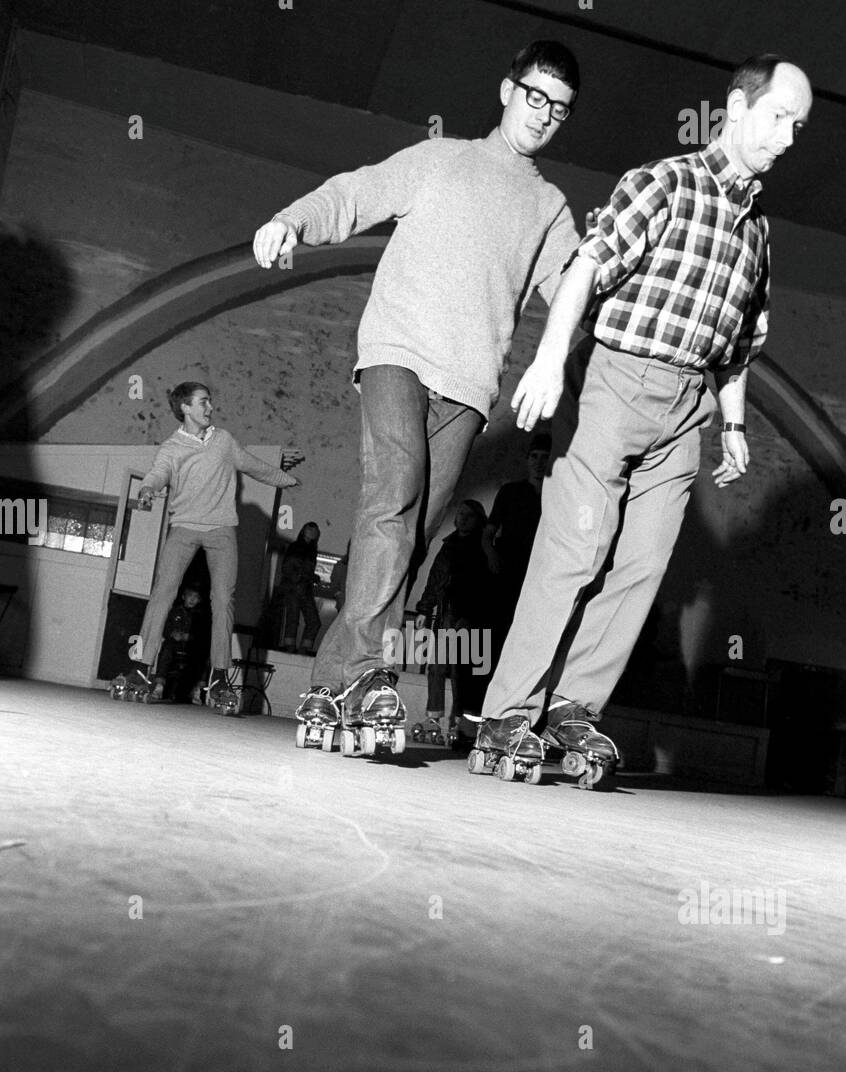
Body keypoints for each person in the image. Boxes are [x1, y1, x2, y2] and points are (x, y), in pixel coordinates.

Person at [473, 55, 814, 782]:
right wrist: (545, 359)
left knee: (643, 565)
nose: (788, 138)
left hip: (690, 407)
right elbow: (586, 269)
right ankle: (508, 713)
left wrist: (733, 423)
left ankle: (572, 710)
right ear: (736, 106)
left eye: (800, 126)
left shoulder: (758, 231)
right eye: (780, 117)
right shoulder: (664, 182)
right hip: (614, 384)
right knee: (576, 549)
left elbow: (742, 342)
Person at [253, 40, 582, 751]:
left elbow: (572, 299)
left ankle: (331, 684)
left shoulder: (551, 210)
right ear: (506, 90)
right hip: (396, 354)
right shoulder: (441, 160)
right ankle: (369, 673)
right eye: (535, 96)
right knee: (393, 493)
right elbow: (354, 192)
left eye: (560, 108)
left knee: (408, 536)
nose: (544, 115)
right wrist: (292, 220)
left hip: (467, 387)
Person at [110, 382, 300, 711]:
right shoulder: (172, 447)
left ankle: (219, 678)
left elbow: (253, 465)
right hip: (183, 527)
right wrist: (147, 489)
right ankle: (141, 669)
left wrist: (286, 478)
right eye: (202, 402)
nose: (209, 408)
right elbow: (157, 474)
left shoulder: (223, 440)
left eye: (210, 402)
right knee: (163, 594)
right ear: (185, 407)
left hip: (221, 530)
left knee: (223, 600)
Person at [414, 499, 492, 745]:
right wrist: (424, 609)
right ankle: (434, 717)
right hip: (447, 614)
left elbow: (485, 586)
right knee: (437, 666)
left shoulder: (483, 546)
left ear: (478, 520)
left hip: (470, 617)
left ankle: (459, 720)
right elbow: (435, 579)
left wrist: (474, 617)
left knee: (462, 672)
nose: (462, 519)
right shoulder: (448, 545)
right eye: (460, 514)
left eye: (468, 515)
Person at [482, 432, 551, 659]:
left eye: (544, 457)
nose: (539, 462)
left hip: (541, 569)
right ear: (527, 459)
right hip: (509, 565)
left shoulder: (557, 493)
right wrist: (491, 553)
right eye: (534, 456)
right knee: (500, 624)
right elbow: (488, 532)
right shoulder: (511, 492)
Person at [152, 584, 207, 702]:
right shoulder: (174, 611)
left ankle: (197, 689)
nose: (192, 599)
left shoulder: (200, 615)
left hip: (191, 645)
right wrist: (173, 633)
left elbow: (203, 635)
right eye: (190, 596)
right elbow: (165, 629)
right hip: (175, 644)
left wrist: (190, 637)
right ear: (183, 597)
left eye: (196, 597)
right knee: (167, 648)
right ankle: (159, 685)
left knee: (203, 653)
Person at [274, 521, 321, 654]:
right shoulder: (297, 548)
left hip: (300, 588)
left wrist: (309, 577)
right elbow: (288, 568)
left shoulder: (309, 550)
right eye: (309, 529)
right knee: (296, 619)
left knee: (300, 620)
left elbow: (289, 568)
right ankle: (298, 648)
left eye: (314, 530)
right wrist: (307, 577)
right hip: (296, 588)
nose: (312, 532)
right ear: (304, 531)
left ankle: (295, 648)